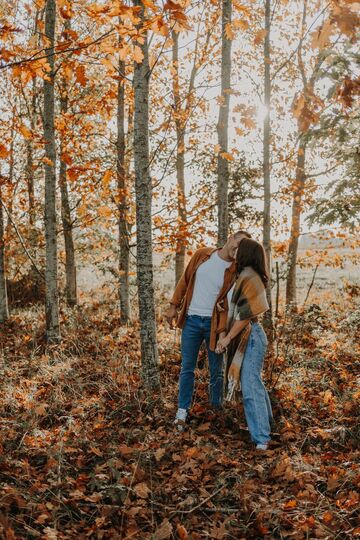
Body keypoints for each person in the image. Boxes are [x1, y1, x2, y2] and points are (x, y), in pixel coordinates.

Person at [166, 231, 251, 430]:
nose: (237, 250)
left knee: (216, 370)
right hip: (191, 321)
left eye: (242, 248)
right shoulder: (203, 255)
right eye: (237, 244)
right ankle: (182, 411)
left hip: (214, 325)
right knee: (187, 367)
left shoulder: (235, 269)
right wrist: (173, 305)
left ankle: (216, 410)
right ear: (230, 238)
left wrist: (225, 332)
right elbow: (185, 280)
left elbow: (231, 301)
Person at [215, 238, 273, 450]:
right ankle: (267, 428)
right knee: (254, 382)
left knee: (250, 386)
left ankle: (261, 439)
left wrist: (228, 337)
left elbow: (246, 316)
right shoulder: (244, 274)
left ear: (247, 253)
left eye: (240, 248)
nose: (235, 250)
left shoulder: (249, 276)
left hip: (251, 336)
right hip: (251, 336)